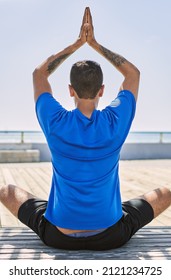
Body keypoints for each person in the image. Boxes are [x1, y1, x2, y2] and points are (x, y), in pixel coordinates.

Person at [0, 7, 170, 251]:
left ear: (71, 90)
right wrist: (95, 44)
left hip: (59, 235)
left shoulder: (56, 122)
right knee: (164, 193)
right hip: (111, 234)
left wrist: (77, 44)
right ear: (102, 90)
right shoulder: (115, 121)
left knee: (7, 191)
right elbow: (133, 73)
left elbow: (39, 74)